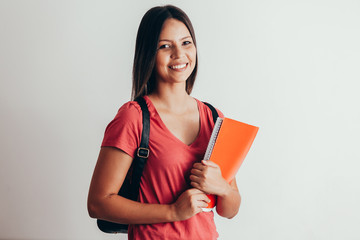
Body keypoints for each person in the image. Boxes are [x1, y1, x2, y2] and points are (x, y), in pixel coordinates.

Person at [87, 5, 241, 240]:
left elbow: (230, 210)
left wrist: (222, 187)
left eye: (186, 43)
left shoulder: (213, 116)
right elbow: (98, 203)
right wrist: (173, 211)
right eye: (165, 46)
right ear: (149, 53)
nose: (179, 54)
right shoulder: (134, 117)